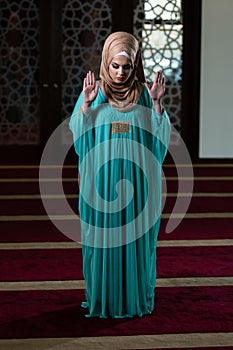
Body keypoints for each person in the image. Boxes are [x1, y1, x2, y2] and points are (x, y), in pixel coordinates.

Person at [69, 31, 170, 318]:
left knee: (137, 241)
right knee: (103, 241)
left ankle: (134, 298)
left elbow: (159, 138)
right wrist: (86, 106)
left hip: (138, 182)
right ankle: (104, 299)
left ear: (135, 64)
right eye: (115, 66)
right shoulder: (94, 92)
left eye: (127, 67)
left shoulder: (145, 93)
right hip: (102, 183)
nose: (121, 72)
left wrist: (158, 104)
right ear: (106, 63)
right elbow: (79, 138)